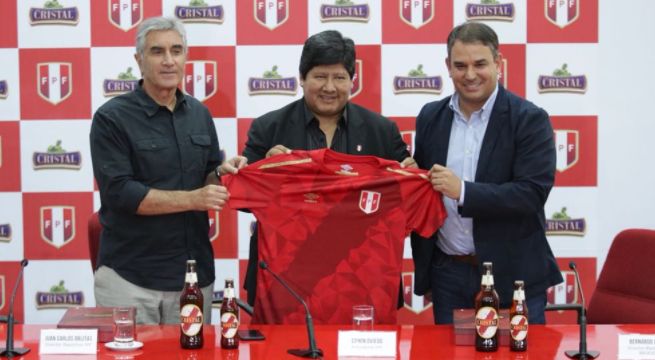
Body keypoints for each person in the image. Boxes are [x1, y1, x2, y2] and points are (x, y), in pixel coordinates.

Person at [89, 17, 246, 324]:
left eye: (176, 50)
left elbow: (206, 177)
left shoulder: (200, 114)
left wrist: (221, 174)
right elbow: (122, 194)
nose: (169, 60)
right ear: (139, 60)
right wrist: (194, 199)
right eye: (157, 51)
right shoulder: (111, 118)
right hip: (129, 279)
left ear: (186, 56)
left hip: (192, 278)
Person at [242, 30, 415, 308]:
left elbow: (405, 198)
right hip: (285, 280)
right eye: (320, 77)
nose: (330, 87)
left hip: (364, 277)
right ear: (302, 78)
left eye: (339, 77)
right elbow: (245, 199)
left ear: (352, 81)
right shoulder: (268, 128)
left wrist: (411, 174)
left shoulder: (382, 132)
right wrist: (268, 172)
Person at [410, 22, 563, 324]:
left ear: (498, 63)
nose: (469, 75)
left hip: (512, 275)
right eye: (460, 65)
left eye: (480, 64)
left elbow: (530, 194)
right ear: (447, 66)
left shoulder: (530, 119)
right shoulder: (430, 116)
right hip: (448, 274)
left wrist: (463, 191)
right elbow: (425, 187)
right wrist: (410, 175)